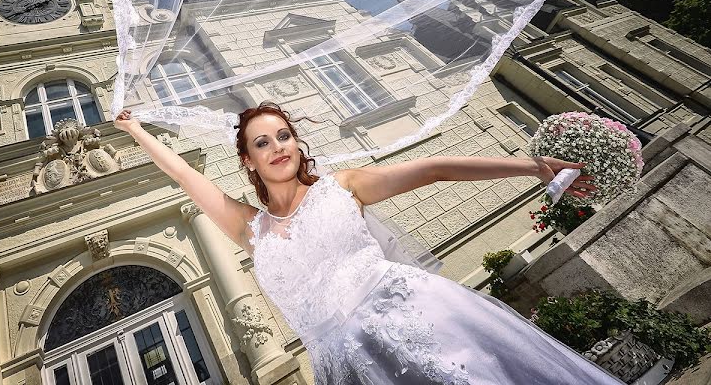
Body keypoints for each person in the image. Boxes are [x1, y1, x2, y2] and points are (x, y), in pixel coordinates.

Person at [114, 101, 625, 384]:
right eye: (261, 142)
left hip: (416, 318)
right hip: (348, 368)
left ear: (297, 142)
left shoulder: (343, 186)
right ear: (247, 160)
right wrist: (135, 129)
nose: (277, 147)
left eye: (284, 135)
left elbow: (437, 169)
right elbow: (184, 176)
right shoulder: (250, 228)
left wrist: (536, 167)